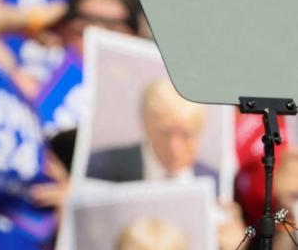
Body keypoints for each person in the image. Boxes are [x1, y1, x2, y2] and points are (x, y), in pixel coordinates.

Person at [86, 78, 218, 187]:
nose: (174, 148)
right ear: (146, 124)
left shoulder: (215, 183)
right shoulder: (98, 169)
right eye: (165, 133)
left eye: (187, 135)